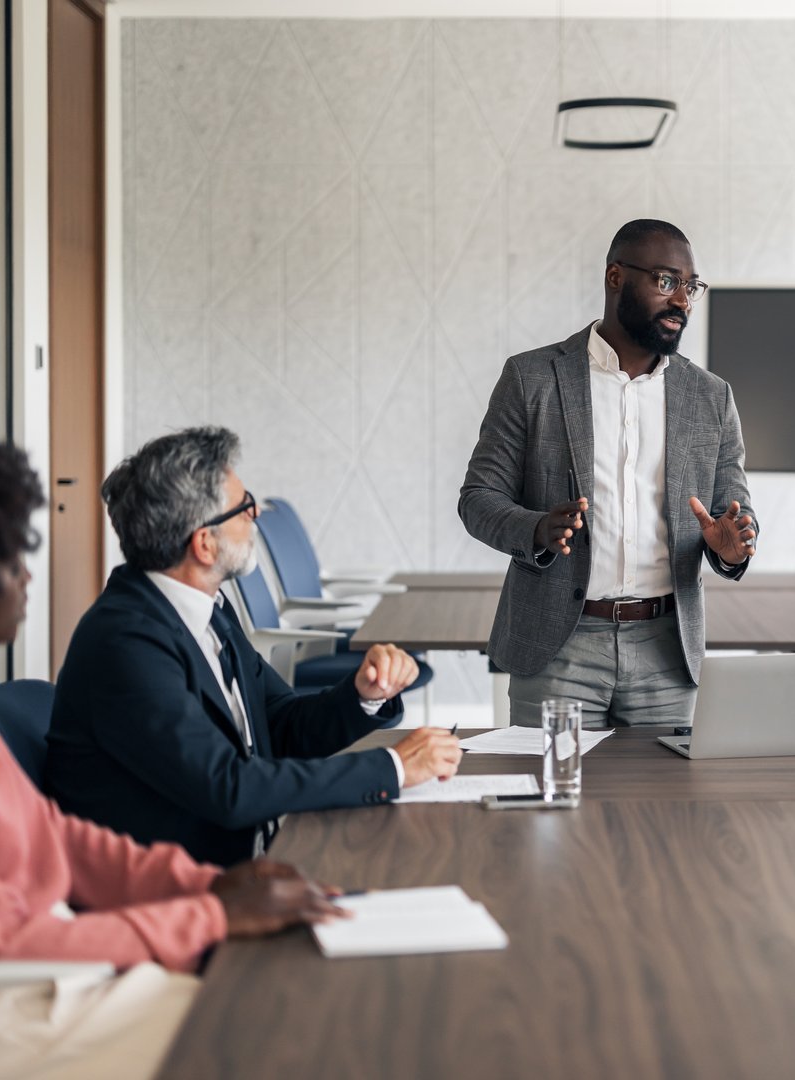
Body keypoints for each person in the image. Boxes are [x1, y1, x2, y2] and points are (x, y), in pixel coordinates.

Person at [0, 427, 345, 1080]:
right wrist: (211, 914)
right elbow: (0, 944)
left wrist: (206, 886)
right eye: (3, 553)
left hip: (60, 972)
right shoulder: (124, 638)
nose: (26, 573)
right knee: (288, 1032)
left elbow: (56, 837)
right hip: (6, 1006)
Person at [46, 427, 461, 867]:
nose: (257, 512)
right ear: (204, 544)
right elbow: (227, 787)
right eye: (243, 507)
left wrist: (363, 695)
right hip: (183, 892)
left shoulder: (208, 612)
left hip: (251, 858)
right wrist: (393, 768)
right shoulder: (126, 644)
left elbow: (279, 726)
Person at [459, 219, 757, 727]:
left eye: (691, 286)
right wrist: (535, 529)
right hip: (557, 645)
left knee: (664, 807)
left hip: (666, 652)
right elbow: (478, 498)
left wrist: (731, 549)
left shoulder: (711, 396)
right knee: (548, 802)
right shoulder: (532, 379)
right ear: (615, 277)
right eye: (666, 281)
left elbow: (734, 510)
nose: (682, 300)